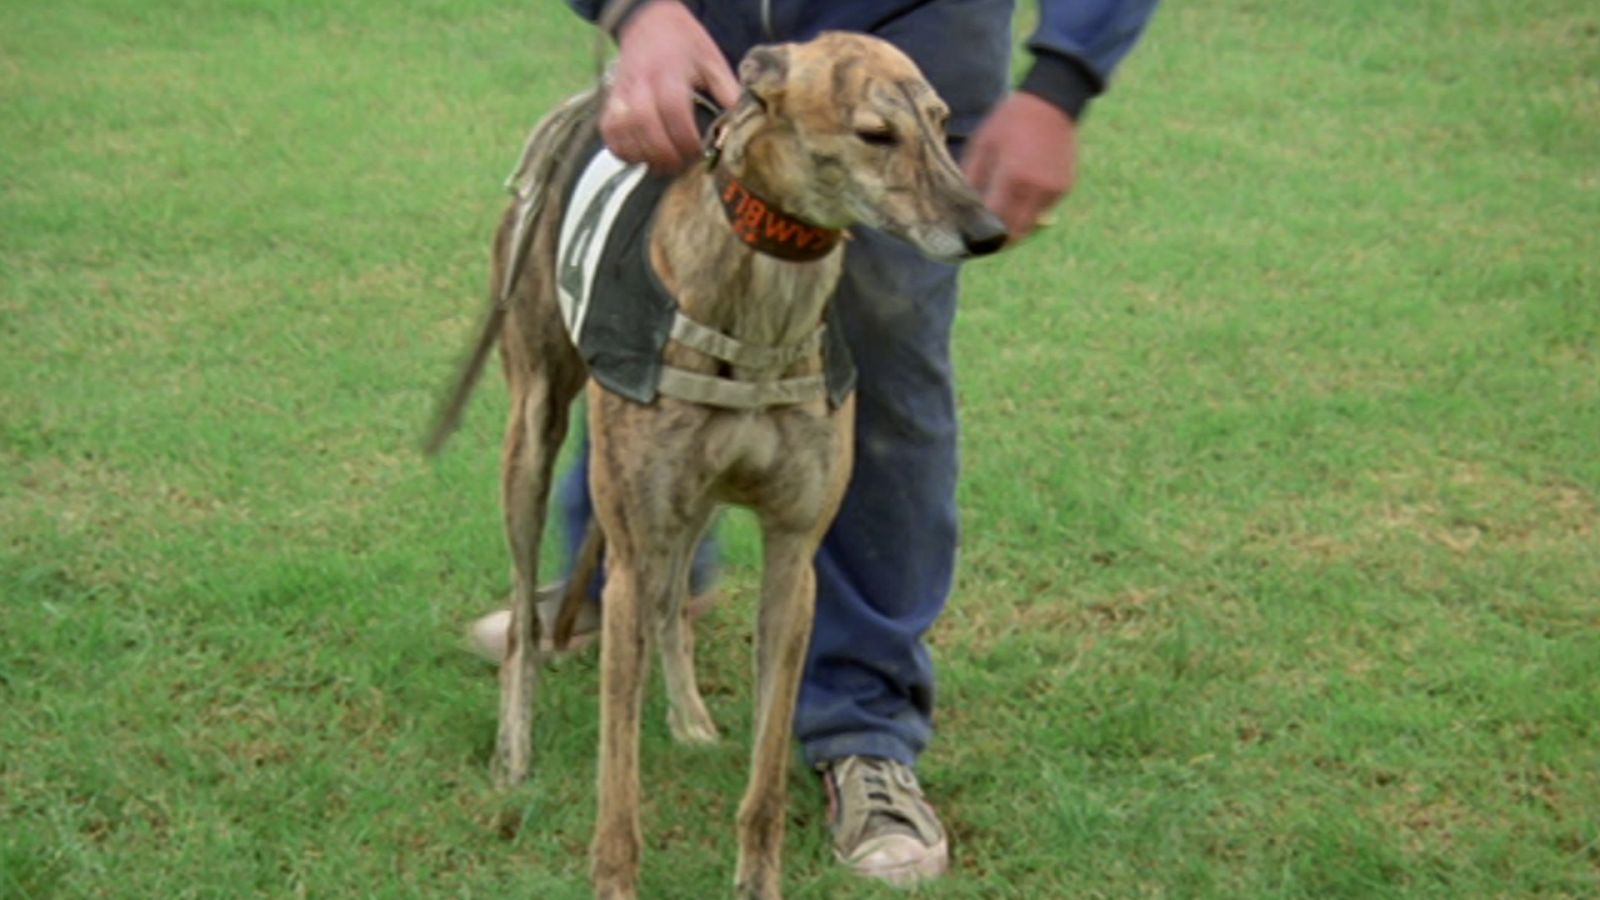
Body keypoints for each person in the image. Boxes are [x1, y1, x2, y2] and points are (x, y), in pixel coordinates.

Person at [475, 0, 1158, 886]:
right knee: (651, 315)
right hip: (707, 26)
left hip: (916, 24)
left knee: (888, 344)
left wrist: (1064, 79)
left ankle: (863, 728)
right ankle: (622, 582)